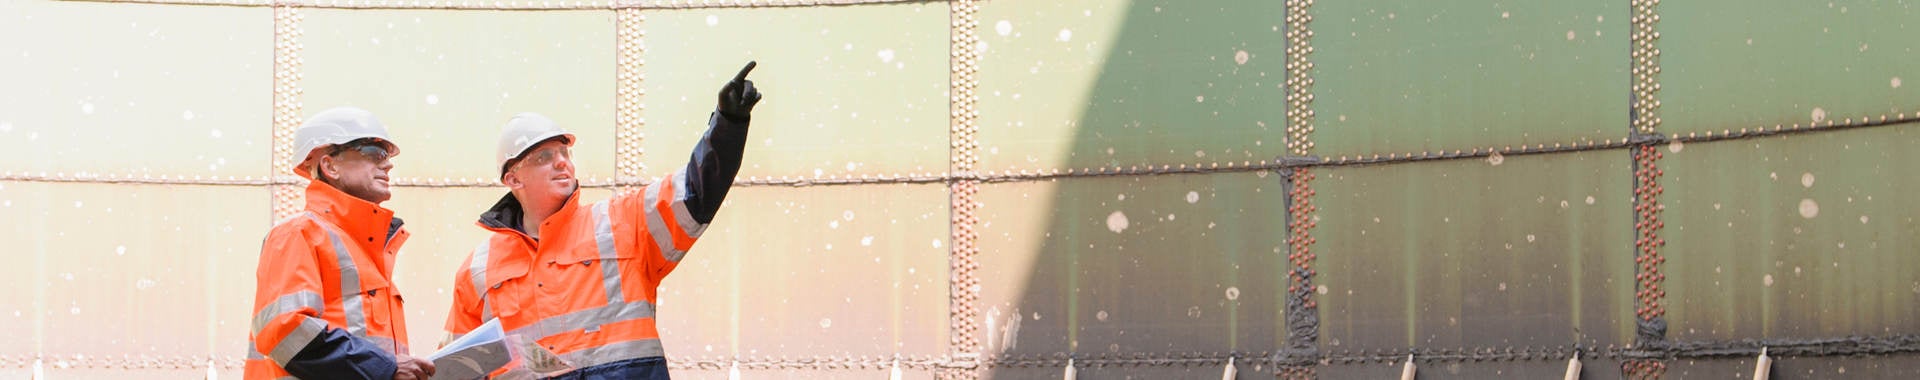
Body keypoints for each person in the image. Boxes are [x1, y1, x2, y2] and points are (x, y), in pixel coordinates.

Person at [443, 62, 763, 379]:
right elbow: (454, 371)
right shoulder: (477, 271)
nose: (561, 163)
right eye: (544, 157)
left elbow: (695, 191)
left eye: (564, 153)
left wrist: (728, 124)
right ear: (513, 179)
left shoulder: (622, 224)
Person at [247, 107, 436, 380]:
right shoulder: (298, 233)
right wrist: (385, 367)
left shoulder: (368, 250)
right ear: (330, 166)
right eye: (374, 152)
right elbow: (285, 329)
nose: (388, 165)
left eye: (386, 156)